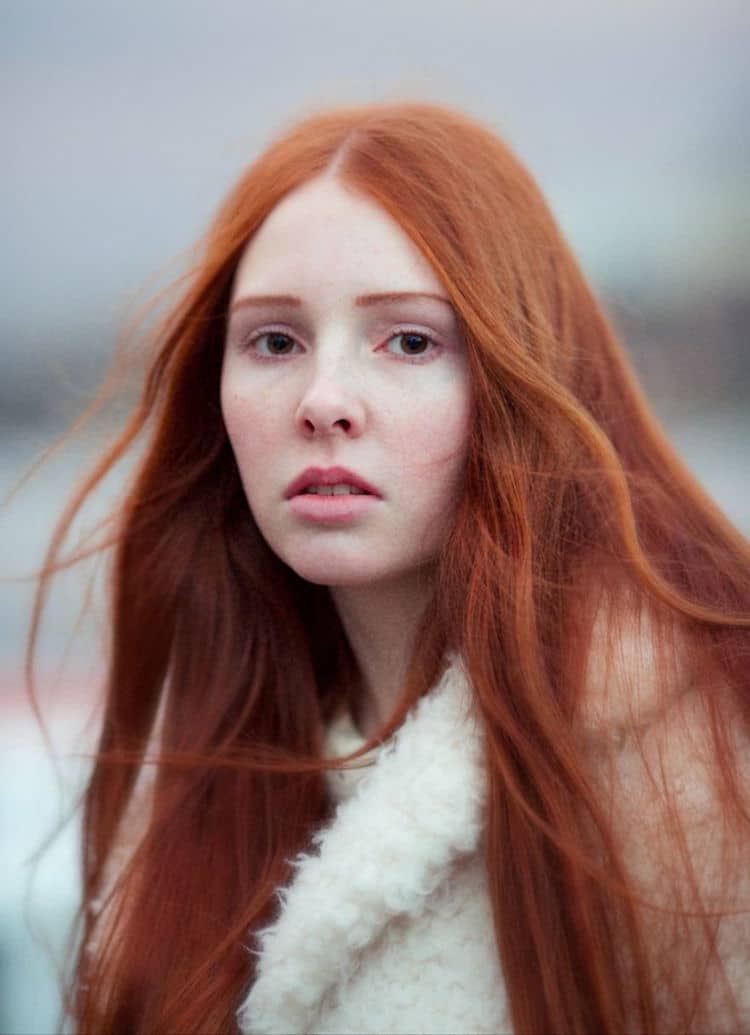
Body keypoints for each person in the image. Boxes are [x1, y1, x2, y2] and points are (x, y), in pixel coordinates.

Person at [33, 102, 750, 1034]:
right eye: (275, 342)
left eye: (408, 340)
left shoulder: (696, 771)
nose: (323, 400)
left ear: (518, 375)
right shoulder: (198, 774)